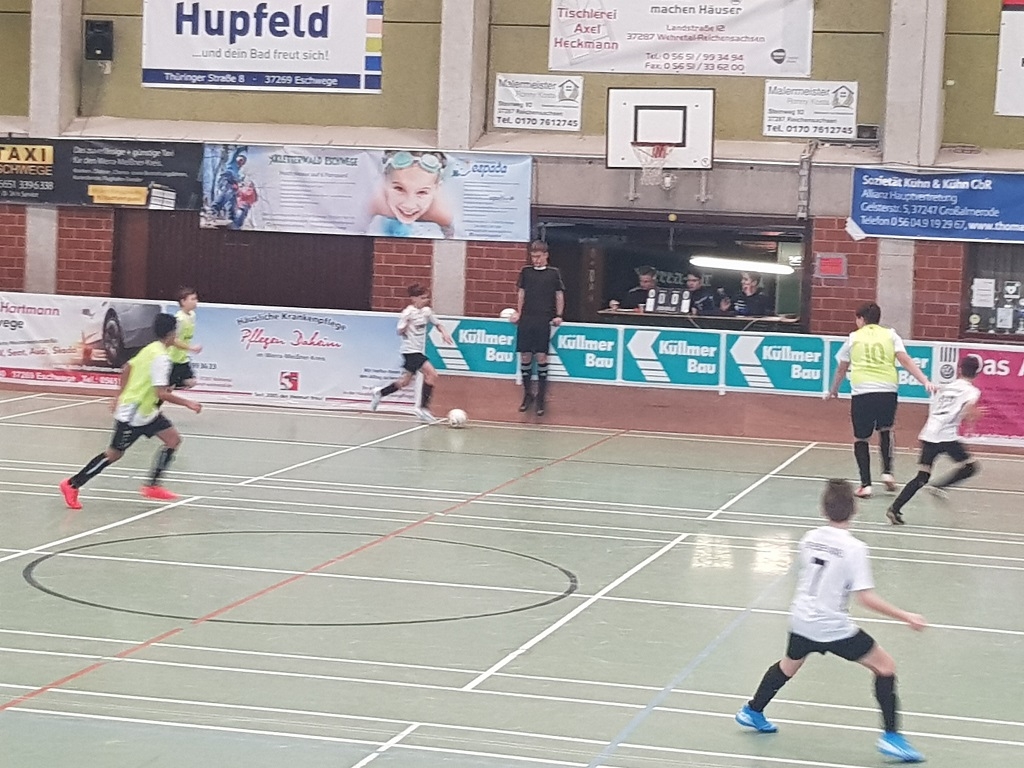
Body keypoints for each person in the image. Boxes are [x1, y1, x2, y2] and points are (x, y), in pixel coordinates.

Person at [735, 478, 926, 764]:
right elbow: (865, 598)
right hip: (832, 626)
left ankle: (752, 710)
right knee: (885, 667)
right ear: (855, 510)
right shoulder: (854, 548)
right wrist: (906, 615)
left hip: (802, 619)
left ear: (823, 509)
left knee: (788, 666)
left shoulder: (808, 538)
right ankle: (892, 737)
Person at [59, 313, 203, 510]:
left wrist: (119, 395)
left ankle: (152, 486)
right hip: (134, 413)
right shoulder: (160, 358)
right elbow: (161, 393)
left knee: (173, 440)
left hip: (147, 411)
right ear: (171, 334)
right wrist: (188, 403)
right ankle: (72, 484)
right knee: (113, 454)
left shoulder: (151, 348)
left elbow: (127, 367)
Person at [827, 302, 936, 498]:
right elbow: (905, 360)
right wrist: (925, 380)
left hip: (862, 392)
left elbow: (842, 368)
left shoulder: (853, 338)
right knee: (886, 430)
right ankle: (887, 472)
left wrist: (833, 390)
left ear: (861, 319)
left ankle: (866, 485)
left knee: (861, 438)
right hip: (888, 390)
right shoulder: (891, 335)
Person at [886, 355, 983, 525]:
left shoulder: (945, 388)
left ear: (959, 369)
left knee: (922, 476)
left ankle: (895, 508)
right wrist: (975, 415)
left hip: (930, 434)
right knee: (971, 467)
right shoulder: (972, 391)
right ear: (977, 373)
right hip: (946, 436)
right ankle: (940, 486)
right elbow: (967, 411)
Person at [370, 283, 454, 423]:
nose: (426, 300)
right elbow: (399, 331)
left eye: (427, 297)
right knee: (432, 374)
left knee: (404, 382)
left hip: (417, 350)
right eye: (422, 298)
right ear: (414, 298)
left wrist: (444, 333)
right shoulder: (407, 313)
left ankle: (380, 393)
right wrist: (406, 325)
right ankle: (423, 408)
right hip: (410, 351)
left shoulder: (427, 312)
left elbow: (438, 324)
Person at [510, 241, 565, 416]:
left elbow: (559, 295)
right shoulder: (526, 272)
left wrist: (559, 315)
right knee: (525, 356)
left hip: (543, 319)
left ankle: (541, 397)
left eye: (539, 256)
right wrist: (519, 313)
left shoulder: (553, 273)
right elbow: (521, 294)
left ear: (546, 255)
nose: (536, 260)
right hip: (527, 319)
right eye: (533, 257)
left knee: (541, 356)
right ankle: (528, 394)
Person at [366, 151, 454, 238]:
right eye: (399, 189)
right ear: (385, 181)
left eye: (422, 192)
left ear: (437, 188)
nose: (409, 205)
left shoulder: (442, 215)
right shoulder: (373, 204)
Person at [168, 287, 202, 390]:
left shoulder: (192, 315)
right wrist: (191, 348)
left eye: (196, 299)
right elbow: (173, 340)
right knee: (167, 389)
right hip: (172, 359)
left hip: (182, 359)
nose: (196, 301)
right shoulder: (179, 319)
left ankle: (173, 385)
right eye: (192, 299)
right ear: (183, 301)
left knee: (191, 382)